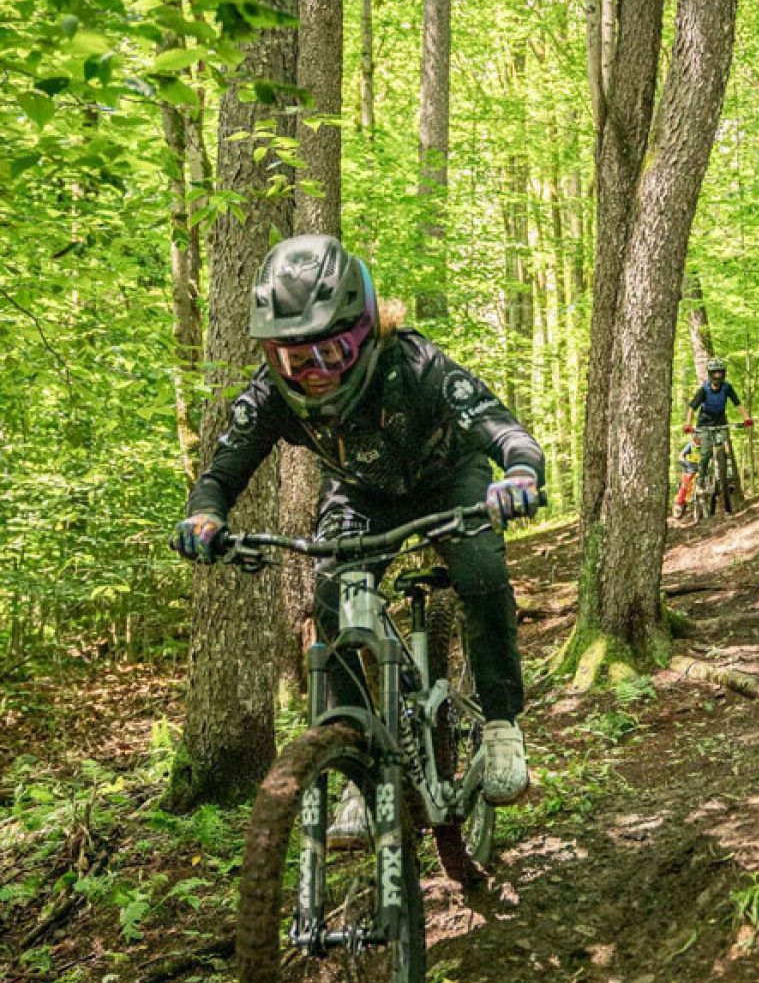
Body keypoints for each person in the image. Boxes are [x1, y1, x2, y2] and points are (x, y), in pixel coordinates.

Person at [172, 234, 544, 835]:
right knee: (330, 601)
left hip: (449, 477)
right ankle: (356, 766)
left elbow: (500, 426)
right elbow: (220, 472)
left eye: (333, 353)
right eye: (294, 359)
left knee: (480, 571)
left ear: (366, 332)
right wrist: (204, 516)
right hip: (361, 492)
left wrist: (521, 472)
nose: (314, 374)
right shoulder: (271, 395)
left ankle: (501, 723)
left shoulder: (418, 365)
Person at [682, 358, 753, 514]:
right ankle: (700, 482)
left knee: (723, 447)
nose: (718, 375)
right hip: (705, 422)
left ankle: (726, 477)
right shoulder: (704, 390)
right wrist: (688, 424)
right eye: (715, 372)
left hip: (721, 420)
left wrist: (746, 418)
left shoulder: (727, 388)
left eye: (720, 372)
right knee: (706, 451)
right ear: (710, 374)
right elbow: (692, 408)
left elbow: (738, 404)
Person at [672, 434, 700, 519]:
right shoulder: (690, 445)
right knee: (686, 483)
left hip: (703, 467)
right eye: (696, 439)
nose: (698, 440)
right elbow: (681, 455)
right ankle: (679, 502)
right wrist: (683, 462)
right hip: (690, 468)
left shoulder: (707, 444)